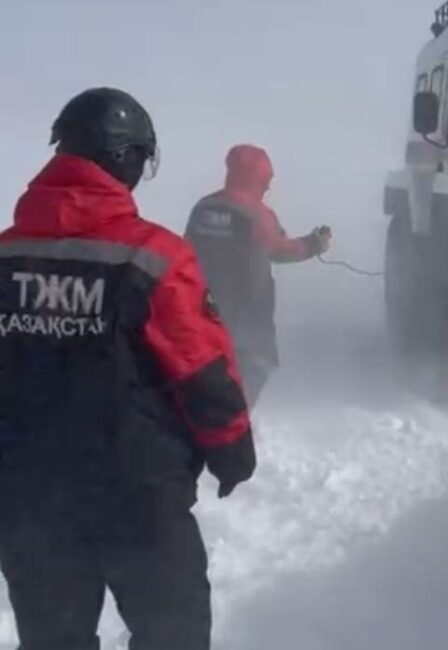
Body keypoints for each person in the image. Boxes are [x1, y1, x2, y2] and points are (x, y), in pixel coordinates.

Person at [0, 87, 256, 650]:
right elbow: (201, 370)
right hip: (138, 497)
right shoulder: (154, 257)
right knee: (173, 635)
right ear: (124, 158)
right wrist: (231, 447)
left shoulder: (6, 256)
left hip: (29, 500)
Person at [186, 144, 331, 406]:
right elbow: (282, 250)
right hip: (248, 315)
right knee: (253, 370)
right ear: (256, 177)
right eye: (266, 180)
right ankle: (232, 428)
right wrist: (314, 243)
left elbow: (186, 250)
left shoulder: (203, 208)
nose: (268, 187)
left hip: (201, 311)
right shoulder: (258, 215)